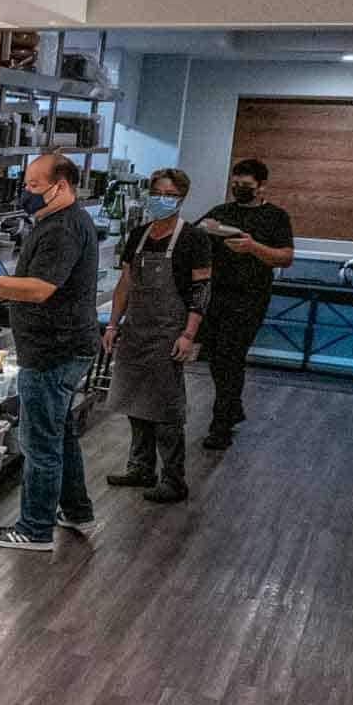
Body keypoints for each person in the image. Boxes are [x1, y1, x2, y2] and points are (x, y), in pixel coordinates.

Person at [0, 152, 100, 550]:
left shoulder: (62, 229)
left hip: (53, 351)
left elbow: (40, 289)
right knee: (60, 434)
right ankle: (77, 510)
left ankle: (34, 529)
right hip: (65, 346)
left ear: (59, 186)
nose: (26, 193)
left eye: (33, 186)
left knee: (39, 443)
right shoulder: (59, 221)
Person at [102, 168, 211, 504]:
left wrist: (188, 334)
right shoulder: (138, 235)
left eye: (170, 195)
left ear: (181, 199)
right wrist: (112, 324)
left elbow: (201, 290)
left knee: (165, 407)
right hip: (136, 328)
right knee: (135, 400)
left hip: (169, 330)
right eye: (157, 192)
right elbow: (126, 284)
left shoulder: (193, 239)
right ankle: (140, 467)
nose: (162, 199)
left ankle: (173, 478)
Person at [197, 158, 294, 451]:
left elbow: (285, 258)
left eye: (246, 186)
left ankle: (221, 425)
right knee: (216, 357)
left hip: (250, 297)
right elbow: (193, 236)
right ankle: (233, 407)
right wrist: (205, 230)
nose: (239, 189)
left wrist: (252, 247)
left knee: (230, 357)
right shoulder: (221, 211)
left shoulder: (275, 217)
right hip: (216, 296)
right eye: (235, 184)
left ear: (261, 186)